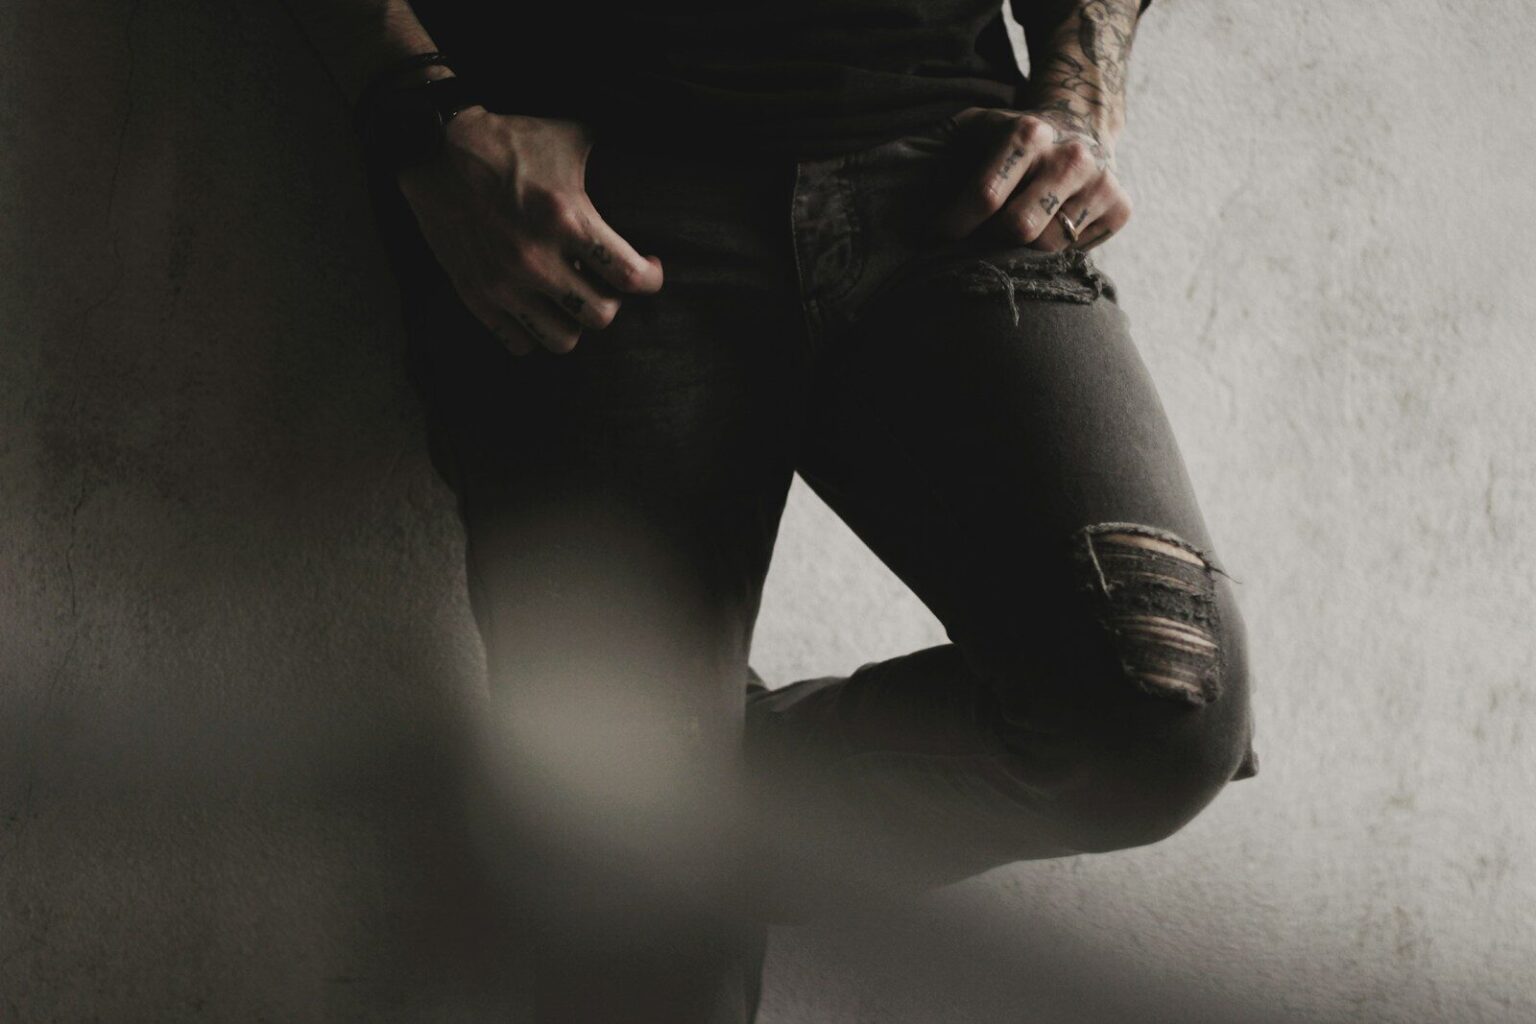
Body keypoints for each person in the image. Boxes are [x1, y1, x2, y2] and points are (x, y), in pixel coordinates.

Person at [291, 1, 1260, 1021]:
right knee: (641, 964)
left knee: (1155, 711)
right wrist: (425, 120)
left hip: (955, 173)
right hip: (592, 187)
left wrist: (1078, 97)